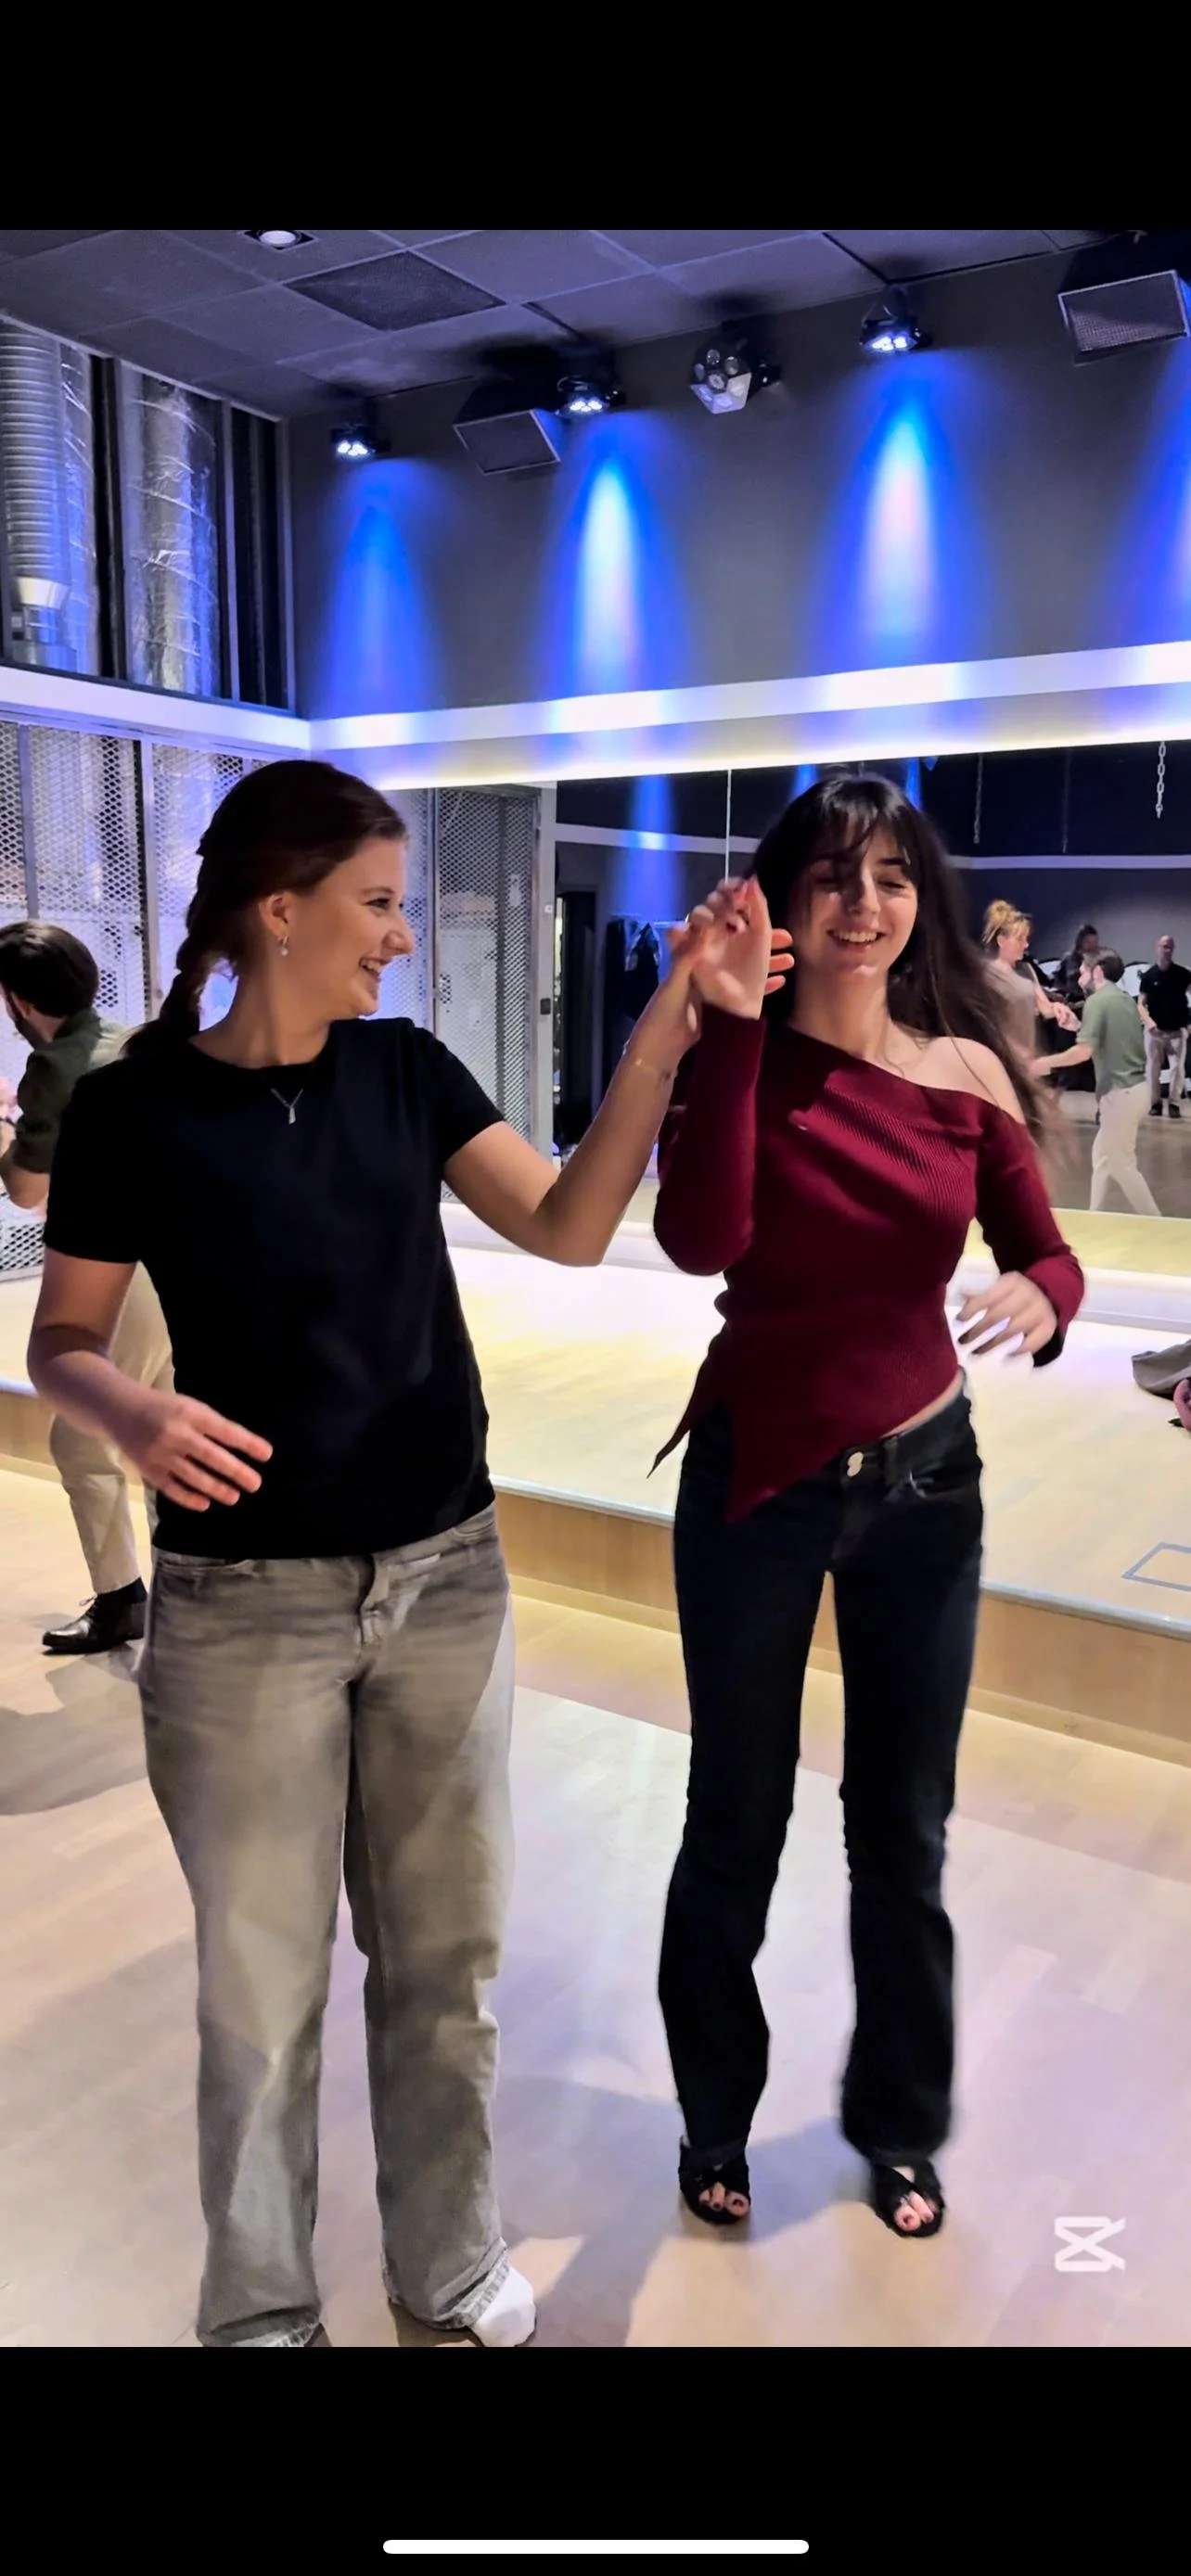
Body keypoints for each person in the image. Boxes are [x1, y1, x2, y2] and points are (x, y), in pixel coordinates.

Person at [27, 759, 788, 2353]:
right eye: (375, 903)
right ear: (279, 908)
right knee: (259, 1990)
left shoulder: (405, 1071)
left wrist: (665, 1034)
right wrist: (137, 1417)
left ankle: (442, 2267)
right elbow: (66, 1339)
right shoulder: (139, 1107)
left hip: (448, 1577)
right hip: (241, 1611)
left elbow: (573, 1224)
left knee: (446, 1963)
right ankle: (259, 2309)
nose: (396, 936)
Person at [651, 775, 1083, 2243]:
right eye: (832, 875)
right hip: (758, 1482)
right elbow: (700, 1237)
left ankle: (900, 2123)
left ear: (923, 900)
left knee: (903, 1829)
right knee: (737, 1814)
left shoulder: (966, 1069)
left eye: (891, 875)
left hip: (926, 1490)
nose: (864, 904)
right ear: (780, 900)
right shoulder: (735, 1061)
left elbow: (1049, 1254)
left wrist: (1039, 1290)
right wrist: (717, 1029)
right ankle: (715, 2113)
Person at [0, 921, 173, 1652]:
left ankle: (121, 1598)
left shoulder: (54, 1067)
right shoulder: (134, 1038)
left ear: (16, 1000)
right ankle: (190, 1591)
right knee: (167, 1423)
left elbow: (29, 1190)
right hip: (185, 1261)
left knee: (81, 1436)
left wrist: (2, 1128)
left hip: (117, 1270)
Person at [1035, 950, 1160, 1216]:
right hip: (1134, 1091)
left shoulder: (1098, 1002)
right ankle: (1096, 1216)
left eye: (1082, 969)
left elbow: (1083, 1052)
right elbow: (1109, 1038)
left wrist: (1042, 1064)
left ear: (1098, 971)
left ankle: (1159, 1224)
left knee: (1121, 1164)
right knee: (1103, 1159)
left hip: (1120, 1095)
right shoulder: (1124, 1000)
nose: (1078, 974)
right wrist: (1078, 1026)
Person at [980, 901, 1077, 1065]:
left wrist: (1058, 1008)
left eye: (1026, 939)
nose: (1026, 945)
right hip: (1001, 1058)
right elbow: (984, 1023)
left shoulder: (1026, 969)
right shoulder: (986, 974)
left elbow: (1045, 1008)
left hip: (1028, 1057)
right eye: (1019, 939)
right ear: (1001, 941)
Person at [1138, 933, 1190, 1120]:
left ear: (1173, 949)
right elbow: (1141, 1004)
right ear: (1157, 948)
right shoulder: (1149, 975)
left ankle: (1174, 1104)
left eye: (1169, 946)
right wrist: (1148, 1021)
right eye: (1163, 946)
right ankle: (1155, 1103)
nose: (1166, 950)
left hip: (1177, 1029)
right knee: (1152, 1069)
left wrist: (1188, 1023)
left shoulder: (1183, 974)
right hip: (1155, 1032)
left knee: (1178, 1069)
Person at [1056, 923, 1100, 1006]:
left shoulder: (1099, 961)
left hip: (1093, 1003)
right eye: (1089, 942)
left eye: (1095, 942)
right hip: (1072, 1004)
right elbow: (1058, 982)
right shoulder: (1068, 959)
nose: (1092, 946)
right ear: (1080, 942)